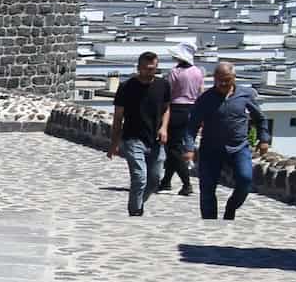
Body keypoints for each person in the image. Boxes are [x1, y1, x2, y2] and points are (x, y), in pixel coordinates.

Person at [187, 60, 268, 221]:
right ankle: (210, 222)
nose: (223, 83)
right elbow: (192, 125)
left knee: (245, 179)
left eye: (227, 79)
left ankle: (231, 208)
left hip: (239, 147)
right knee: (207, 188)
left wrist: (263, 139)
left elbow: (261, 118)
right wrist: (189, 148)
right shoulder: (205, 98)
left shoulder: (245, 95)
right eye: (219, 80)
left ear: (234, 77)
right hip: (211, 149)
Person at [109, 51, 171, 216]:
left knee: (154, 180)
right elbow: (118, 118)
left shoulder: (163, 85)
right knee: (139, 177)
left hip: (155, 140)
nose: (149, 72)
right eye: (145, 68)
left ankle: (138, 203)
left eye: (152, 68)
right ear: (138, 67)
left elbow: (166, 109)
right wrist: (114, 143)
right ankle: (135, 211)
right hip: (133, 138)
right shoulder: (126, 87)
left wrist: (164, 127)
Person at [162, 41, 204, 197]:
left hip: (177, 109)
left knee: (173, 148)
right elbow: (201, 92)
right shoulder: (198, 72)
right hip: (192, 110)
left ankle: (186, 184)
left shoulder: (174, 72)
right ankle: (166, 181)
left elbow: (168, 92)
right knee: (178, 146)